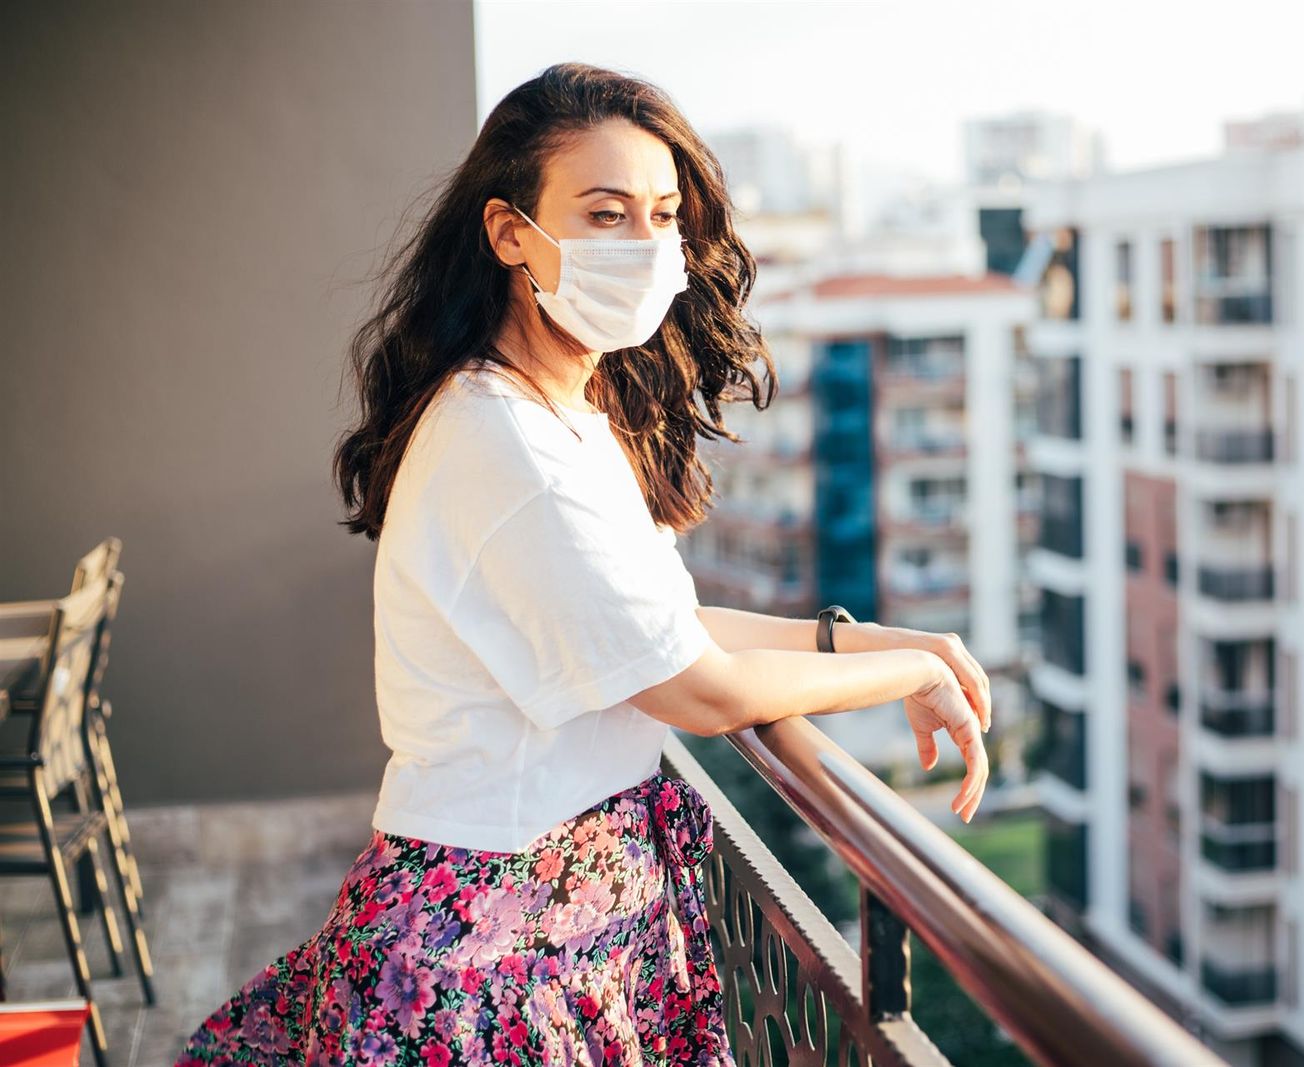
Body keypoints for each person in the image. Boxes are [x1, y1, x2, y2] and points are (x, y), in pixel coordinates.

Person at [176, 61, 990, 1066]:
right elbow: (698, 687)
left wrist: (870, 639)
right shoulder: (507, 443)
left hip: (549, 926)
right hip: (487, 954)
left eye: (662, 216)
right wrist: (910, 671)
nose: (644, 246)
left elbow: (663, 624)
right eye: (605, 215)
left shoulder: (562, 414)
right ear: (510, 231)